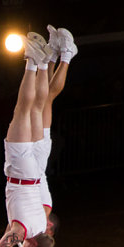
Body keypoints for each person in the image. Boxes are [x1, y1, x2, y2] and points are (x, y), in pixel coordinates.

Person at [0, 33, 57, 247]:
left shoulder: (40, 224)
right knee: (23, 110)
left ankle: (40, 64)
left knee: (35, 110)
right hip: (22, 171)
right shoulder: (20, 233)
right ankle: (30, 61)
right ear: (36, 243)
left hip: (37, 170)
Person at [34, 26, 78, 219]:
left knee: (40, 97)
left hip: (33, 150)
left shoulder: (37, 211)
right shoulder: (43, 210)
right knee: (46, 98)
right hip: (37, 149)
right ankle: (67, 54)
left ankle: (51, 54)